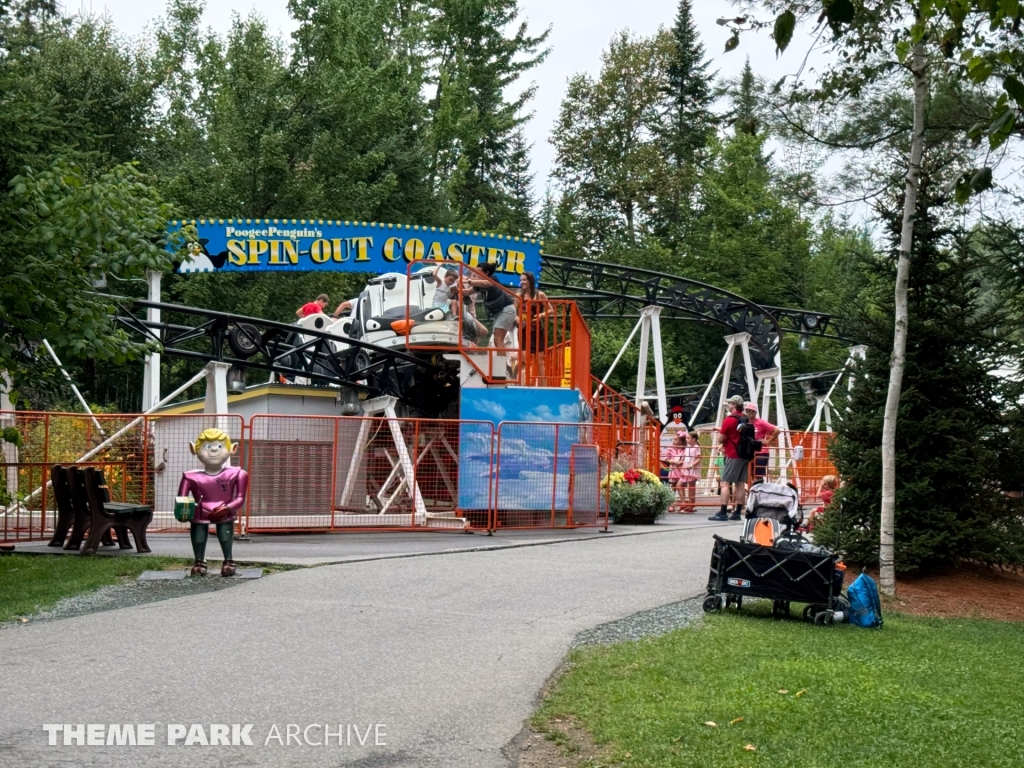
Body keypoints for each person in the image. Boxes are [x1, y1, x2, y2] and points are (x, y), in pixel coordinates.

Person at [178, 428, 249, 577]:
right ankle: (199, 561)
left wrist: (228, 508)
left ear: (233, 449)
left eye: (219, 446)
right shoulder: (190, 476)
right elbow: (183, 498)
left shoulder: (237, 474)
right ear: (194, 449)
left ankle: (228, 560)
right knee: (198, 536)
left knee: (225, 534)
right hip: (199, 511)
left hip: (224, 511)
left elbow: (240, 498)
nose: (214, 451)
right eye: (208, 447)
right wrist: (182, 512)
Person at [708, 395, 749, 522]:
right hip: (744, 455)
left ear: (734, 405)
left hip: (733, 454)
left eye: (730, 403)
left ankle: (723, 512)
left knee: (725, 483)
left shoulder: (729, 419)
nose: (728, 405)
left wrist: (722, 441)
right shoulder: (745, 419)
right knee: (740, 484)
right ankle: (737, 512)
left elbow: (721, 438)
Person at [466, 263, 517, 356]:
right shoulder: (479, 285)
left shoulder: (493, 279)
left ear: (486, 273)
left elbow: (487, 283)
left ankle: (502, 365)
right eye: (476, 272)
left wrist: (469, 281)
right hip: (499, 313)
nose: (477, 274)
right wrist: (455, 290)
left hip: (506, 309)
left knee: (498, 339)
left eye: (479, 272)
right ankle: (501, 363)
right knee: (496, 339)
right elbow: (467, 292)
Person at [517, 271, 548, 380]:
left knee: (539, 360)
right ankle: (523, 385)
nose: (522, 282)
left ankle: (544, 388)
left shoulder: (539, 295)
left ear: (530, 281)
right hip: (524, 330)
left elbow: (551, 310)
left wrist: (542, 314)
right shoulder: (518, 296)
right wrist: (518, 320)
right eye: (521, 280)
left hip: (537, 330)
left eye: (524, 280)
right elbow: (513, 313)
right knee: (524, 359)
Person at [744, 402, 779, 480]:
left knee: (758, 475)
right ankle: (752, 489)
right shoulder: (745, 422)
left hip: (761, 452)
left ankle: (758, 490)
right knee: (746, 476)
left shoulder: (761, 422)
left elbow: (777, 430)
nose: (749, 414)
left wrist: (768, 441)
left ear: (755, 413)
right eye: (748, 411)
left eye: (751, 411)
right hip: (749, 452)